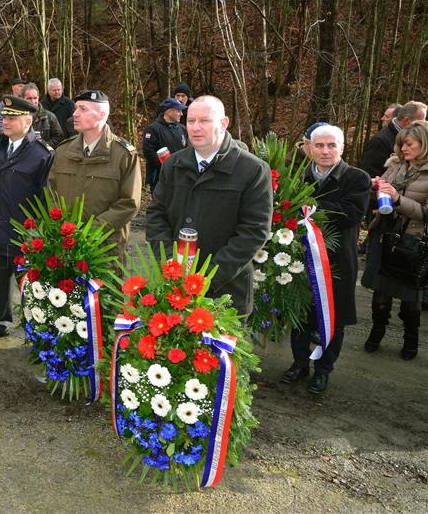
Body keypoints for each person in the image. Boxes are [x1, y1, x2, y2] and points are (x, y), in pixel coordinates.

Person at [146, 95, 273, 315]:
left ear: (224, 123)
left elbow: (254, 231)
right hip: (174, 289)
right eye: (190, 121)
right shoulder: (173, 165)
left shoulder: (252, 170)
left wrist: (207, 278)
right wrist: (170, 263)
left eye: (204, 121)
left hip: (226, 293)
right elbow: (156, 215)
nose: (195, 128)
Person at [281, 125, 370, 394]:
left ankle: (323, 370)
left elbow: (351, 214)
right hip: (301, 257)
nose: (325, 151)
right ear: (309, 148)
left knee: (333, 317)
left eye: (331, 145)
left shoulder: (357, 178)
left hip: (337, 261)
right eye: (319, 146)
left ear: (342, 148)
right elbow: (285, 207)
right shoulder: (298, 177)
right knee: (301, 314)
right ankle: (299, 362)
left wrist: (309, 208)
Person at [0, 95, 54, 342]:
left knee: (30, 287)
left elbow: (48, 199)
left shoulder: (42, 155)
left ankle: (34, 331)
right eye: (4, 117)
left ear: (27, 122)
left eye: (11, 118)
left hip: (26, 234)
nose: (4, 122)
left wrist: (40, 232)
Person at [361, 120, 428, 360]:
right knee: (380, 296)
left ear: (424, 143)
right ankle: (376, 332)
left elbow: (425, 212)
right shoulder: (396, 165)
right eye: (401, 145)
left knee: (411, 304)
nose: (403, 149)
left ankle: (411, 338)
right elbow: (383, 192)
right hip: (385, 236)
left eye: (409, 144)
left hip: (413, 242)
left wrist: (398, 199)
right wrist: (377, 189)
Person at [48, 90, 142, 256]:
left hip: (104, 248)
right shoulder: (63, 151)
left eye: (83, 109)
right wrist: (62, 228)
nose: (75, 114)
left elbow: (129, 203)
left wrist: (91, 231)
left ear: (101, 114)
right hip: (64, 246)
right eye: (76, 108)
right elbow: (51, 193)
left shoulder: (123, 155)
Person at [360, 101, 427, 179]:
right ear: (406, 120)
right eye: (421, 121)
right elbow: (369, 174)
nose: (424, 123)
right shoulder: (380, 141)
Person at [142, 97, 188, 191]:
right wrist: (168, 166)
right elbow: (149, 152)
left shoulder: (182, 129)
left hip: (181, 177)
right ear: (169, 111)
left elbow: (188, 149)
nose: (181, 114)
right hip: (160, 179)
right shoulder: (153, 129)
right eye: (178, 111)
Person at [21, 82, 64, 147]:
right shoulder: (16, 117)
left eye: (35, 98)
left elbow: (59, 137)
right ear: (22, 99)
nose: (33, 101)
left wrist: (44, 146)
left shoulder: (49, 117)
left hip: (44, 155)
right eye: (29, 98)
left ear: (38, 98)